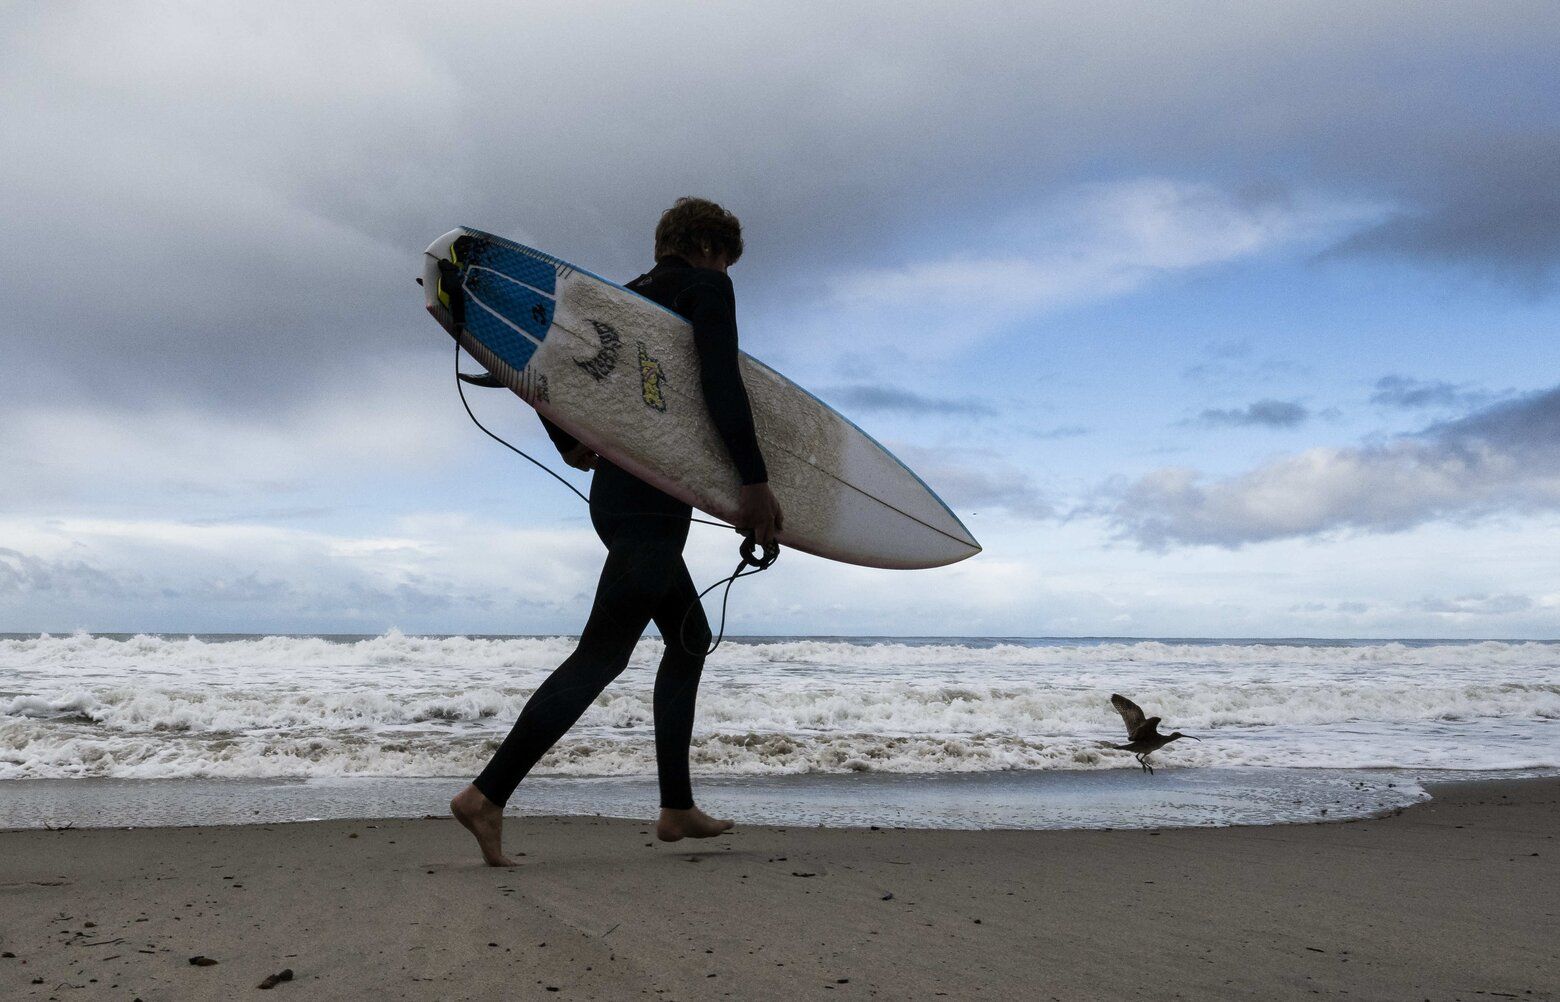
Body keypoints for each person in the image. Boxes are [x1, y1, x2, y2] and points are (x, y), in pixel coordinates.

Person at [451, 197, 784, 867]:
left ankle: (676, 806)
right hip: (647, 500)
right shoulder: (704, 287)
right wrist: (753, 481)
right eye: (727, 260)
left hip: (617, 491)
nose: (729, 274)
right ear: (705, 247)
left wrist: (566, 441)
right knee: (602, 655)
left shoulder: (621, 302)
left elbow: (548, 374)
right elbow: (721, 381)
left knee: (690, 638)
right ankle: (487, 795)